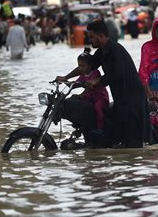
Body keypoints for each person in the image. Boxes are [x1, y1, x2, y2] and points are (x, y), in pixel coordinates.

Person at [55, 20, 150, 148]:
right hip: (120, 100)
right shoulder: (101, 52)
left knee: (132, 145)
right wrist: (65, 77)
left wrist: (96, 81)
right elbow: (87, 67)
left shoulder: (116, 50)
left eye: (92, 37)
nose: (90, 40)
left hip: (132, 101)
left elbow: (117, 74)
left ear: (101, 36)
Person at [74, 48, 109, 132]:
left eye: (83, 65)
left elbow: (89, 86)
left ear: (90, 65)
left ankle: (100, 128)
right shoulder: (83, 75)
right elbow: (76, 83)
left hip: (101, 98)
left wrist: (82, 94)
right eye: (79, 65)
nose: (80, 68)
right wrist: (66, 82)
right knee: (76, 101)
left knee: (97, 107)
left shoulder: (95, 73)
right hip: (90, 98)